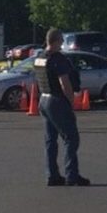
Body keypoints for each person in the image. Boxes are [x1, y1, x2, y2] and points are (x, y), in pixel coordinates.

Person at [33, 28, 90, 187]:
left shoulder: (39, 58)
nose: (63, 44)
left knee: (50, 140)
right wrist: (71, 101)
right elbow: (64, 82)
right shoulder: (58, 59)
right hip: (57, 101)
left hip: (43, 99)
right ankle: (72, 175)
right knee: (71, 138)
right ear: (57, 41)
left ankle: (52, 175)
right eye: (62, 41)